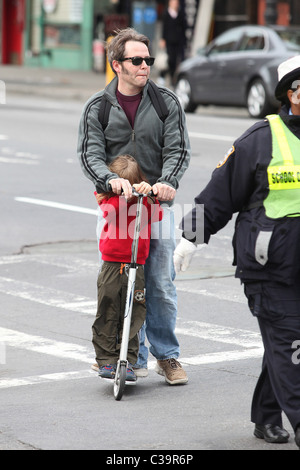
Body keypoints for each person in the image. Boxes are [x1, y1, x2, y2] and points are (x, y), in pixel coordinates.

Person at [174, 55, 300, 447]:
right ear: (291, 95)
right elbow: (217, 194)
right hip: (270, 268)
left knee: (286, 343)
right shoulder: (260, 139)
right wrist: (189, 237)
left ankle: (265, 416)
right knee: (292, 342)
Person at [78, 28, 191, 385]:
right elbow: (89, 154)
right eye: (136, 60)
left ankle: (167, 356)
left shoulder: (166, 103)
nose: (145, 66)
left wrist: (167, 182)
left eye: (148, 60)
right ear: (117, 65)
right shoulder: (98, 106)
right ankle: (129, 357)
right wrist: (109, 180)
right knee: (122, 283)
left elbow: (178, 150)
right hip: (116, 209)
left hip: (155, 206)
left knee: (159, 284)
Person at [92, 154, 162, 382]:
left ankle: (129, 362)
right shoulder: (109, 201)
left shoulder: (142, 203)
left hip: (137, 266)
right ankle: (106, 360)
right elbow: (111, 214)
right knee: (108, 309)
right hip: (112, 265)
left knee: (134, 313)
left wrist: (148, 194)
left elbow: (157, 214)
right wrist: (123, 196)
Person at [158, 0, 187, 87]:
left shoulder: (181, 13)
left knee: (175, 60)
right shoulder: (166, 13)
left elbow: (184, 27)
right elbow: (164, 27)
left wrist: (184, 40)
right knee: (169, 60)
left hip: (178, 41)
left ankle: (172, 79)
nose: (175, 4)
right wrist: (163, 39)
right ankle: (162, 75)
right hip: (169, 41)